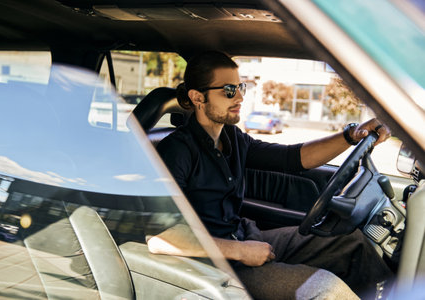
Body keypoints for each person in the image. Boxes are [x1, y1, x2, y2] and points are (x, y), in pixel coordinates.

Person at [147, 51, 393, 299]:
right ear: (198, 97)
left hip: (243, 237)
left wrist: (351, 136)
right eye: (229, 90)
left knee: (351, 243)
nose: (241, 97)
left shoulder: (232, 137)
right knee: (327, 290)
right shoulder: (177, 151)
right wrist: (240, 251)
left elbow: (293, 158)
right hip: (214, 268)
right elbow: (161, 237)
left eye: (240, 87)